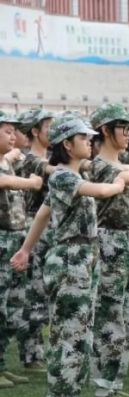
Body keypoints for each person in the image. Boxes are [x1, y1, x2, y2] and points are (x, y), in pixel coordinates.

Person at [11, 116, 126, 397]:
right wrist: (118, 184)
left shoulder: (70, 176)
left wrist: (25, 249)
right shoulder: (63, 176)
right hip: (71, 259)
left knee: (81, 333)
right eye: (83, 138)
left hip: (83, 258)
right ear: (67, 144)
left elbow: (43, 213)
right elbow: (99, 192)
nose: (90, 142)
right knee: (69, 334)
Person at [88, 103, 129, 397]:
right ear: (105, 130)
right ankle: (103, 385)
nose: (128, 133)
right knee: (110, 313)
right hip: (108, 241)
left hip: (124, 239)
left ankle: (114, 382)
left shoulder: (119, 164)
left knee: (125, 313)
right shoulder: (98, 166)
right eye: (123, 128)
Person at [0, 111, 43, 389]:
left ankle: (2, 364)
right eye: (7, 131)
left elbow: (14, 157)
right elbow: (3, 181)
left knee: (13, 308)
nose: (13, 136)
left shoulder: (7, 159)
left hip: (14, 240)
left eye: (14, 131)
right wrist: (31, 183)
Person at [12, 108, 55, 372]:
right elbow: (48, 170)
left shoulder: (50, 157)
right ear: (35, 132)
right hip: (33, 229)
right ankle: (31, 352)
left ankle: (36, 350)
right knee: (33, 292)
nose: (55, 131)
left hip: (51, 229)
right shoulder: (29, 159)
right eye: (49, 127)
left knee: (44, 291)